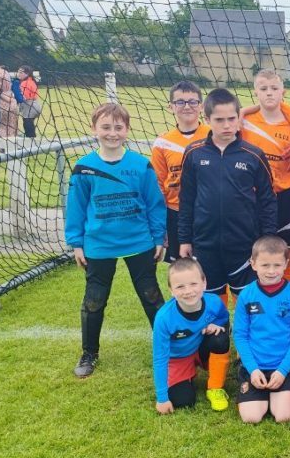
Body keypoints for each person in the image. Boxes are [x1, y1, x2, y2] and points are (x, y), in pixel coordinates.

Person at [64, 103, 166, 379]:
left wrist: (159, 237)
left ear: (127, 130)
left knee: (151, 294)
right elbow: (75, 207)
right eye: (106, 127)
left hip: (139, 241)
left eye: (118, 127)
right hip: (99, 244)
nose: (112, 133)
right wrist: (76, 243)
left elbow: (155, 204)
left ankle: (168, 347)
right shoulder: (84, 168)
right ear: (94, 129)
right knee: (94, 299)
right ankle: (89, 352)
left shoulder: (140, 164)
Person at [179, 87, 277, 311]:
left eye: (232, 119)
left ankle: (248, 335)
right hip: (205, 244)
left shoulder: (253, 155)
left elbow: (268, 200)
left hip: (244, 244)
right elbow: (186, 199)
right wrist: (184, 240)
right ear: (207, 119)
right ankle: (218, 335)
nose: (227, 125)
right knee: (211, 306)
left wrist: (267, 239)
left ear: (238, 117)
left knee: (250, 304)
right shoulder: (194, 153)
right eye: (219, 120)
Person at [240, 69, 290, 285]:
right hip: (255, 196)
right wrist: (243, 110)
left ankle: (289, 290)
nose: (269, 92)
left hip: (287, 194)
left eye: (274, 88)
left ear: (283, 91)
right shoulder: (244, 120)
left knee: (284, 249)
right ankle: (258, 291)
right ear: (255, 92)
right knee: (257, 246)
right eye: (263, 88)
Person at [234, 236, 290, 424]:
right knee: (251, 417)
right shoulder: (246, 295)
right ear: (253, 264)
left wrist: (283, 370)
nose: (271, 271)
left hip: (285, 367)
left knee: (284, 416)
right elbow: (240, 335)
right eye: (265, 265)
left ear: (286, 264)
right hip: (255, 367)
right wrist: (252, 369)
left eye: (277, 265)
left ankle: (283, 389)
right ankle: (254, 386)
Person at [152, 258, 230, 413]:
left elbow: (224, 318)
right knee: (183, 401)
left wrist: (216, 324)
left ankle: (215, 387)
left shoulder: (214, 302)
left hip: (201, 349)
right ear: (171, 290)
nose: (188, 291)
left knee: (220, 338)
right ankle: (187, 374)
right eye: (180, 286)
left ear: (204, 283)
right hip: (178, 359)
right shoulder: (164, 318)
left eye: (193, 284)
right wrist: (162, 398)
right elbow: (160, 358)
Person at [150, 81, 210, 263]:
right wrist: (161, 224)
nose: (187, 106)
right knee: (180, 267)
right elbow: (158, 185)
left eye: (192, 101)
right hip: (175, 212)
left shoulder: (213, 135)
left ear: (201, 106)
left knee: (208, 264)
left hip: (208, 211)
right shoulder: (162, 143)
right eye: (180, 102)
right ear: (171, 107)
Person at [13, 66, 41, 139]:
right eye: (18, 72)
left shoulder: (25, 83)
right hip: (34, 105)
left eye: (21, 72)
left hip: (29, 106)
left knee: (28, 126)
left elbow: (24, 97)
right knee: (29, 126)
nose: (18, 74)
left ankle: (31, 142)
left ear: (27, 74)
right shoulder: (31, 81)